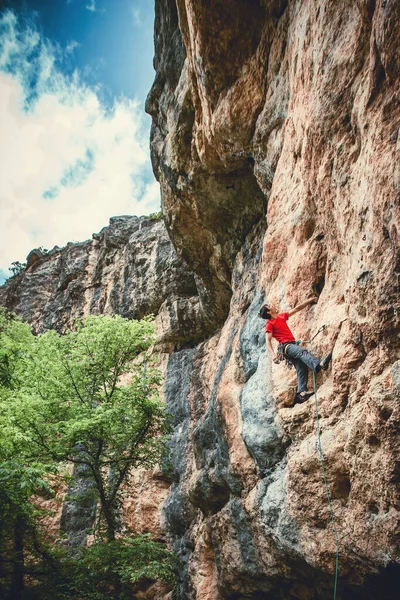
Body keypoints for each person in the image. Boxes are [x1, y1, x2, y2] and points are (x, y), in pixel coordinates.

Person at [258, 297, 332, 405]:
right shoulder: (270, 324)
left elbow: (297, 309)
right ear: (269, 311)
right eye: (269, 305)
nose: (272, 304)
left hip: (290, 346)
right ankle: (319, 365)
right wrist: (273, 355)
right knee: (302, 351)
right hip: (286, 347)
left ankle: (301, 392)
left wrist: (309, 300)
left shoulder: (281, 316)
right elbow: (268, 341)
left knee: (301, 368)